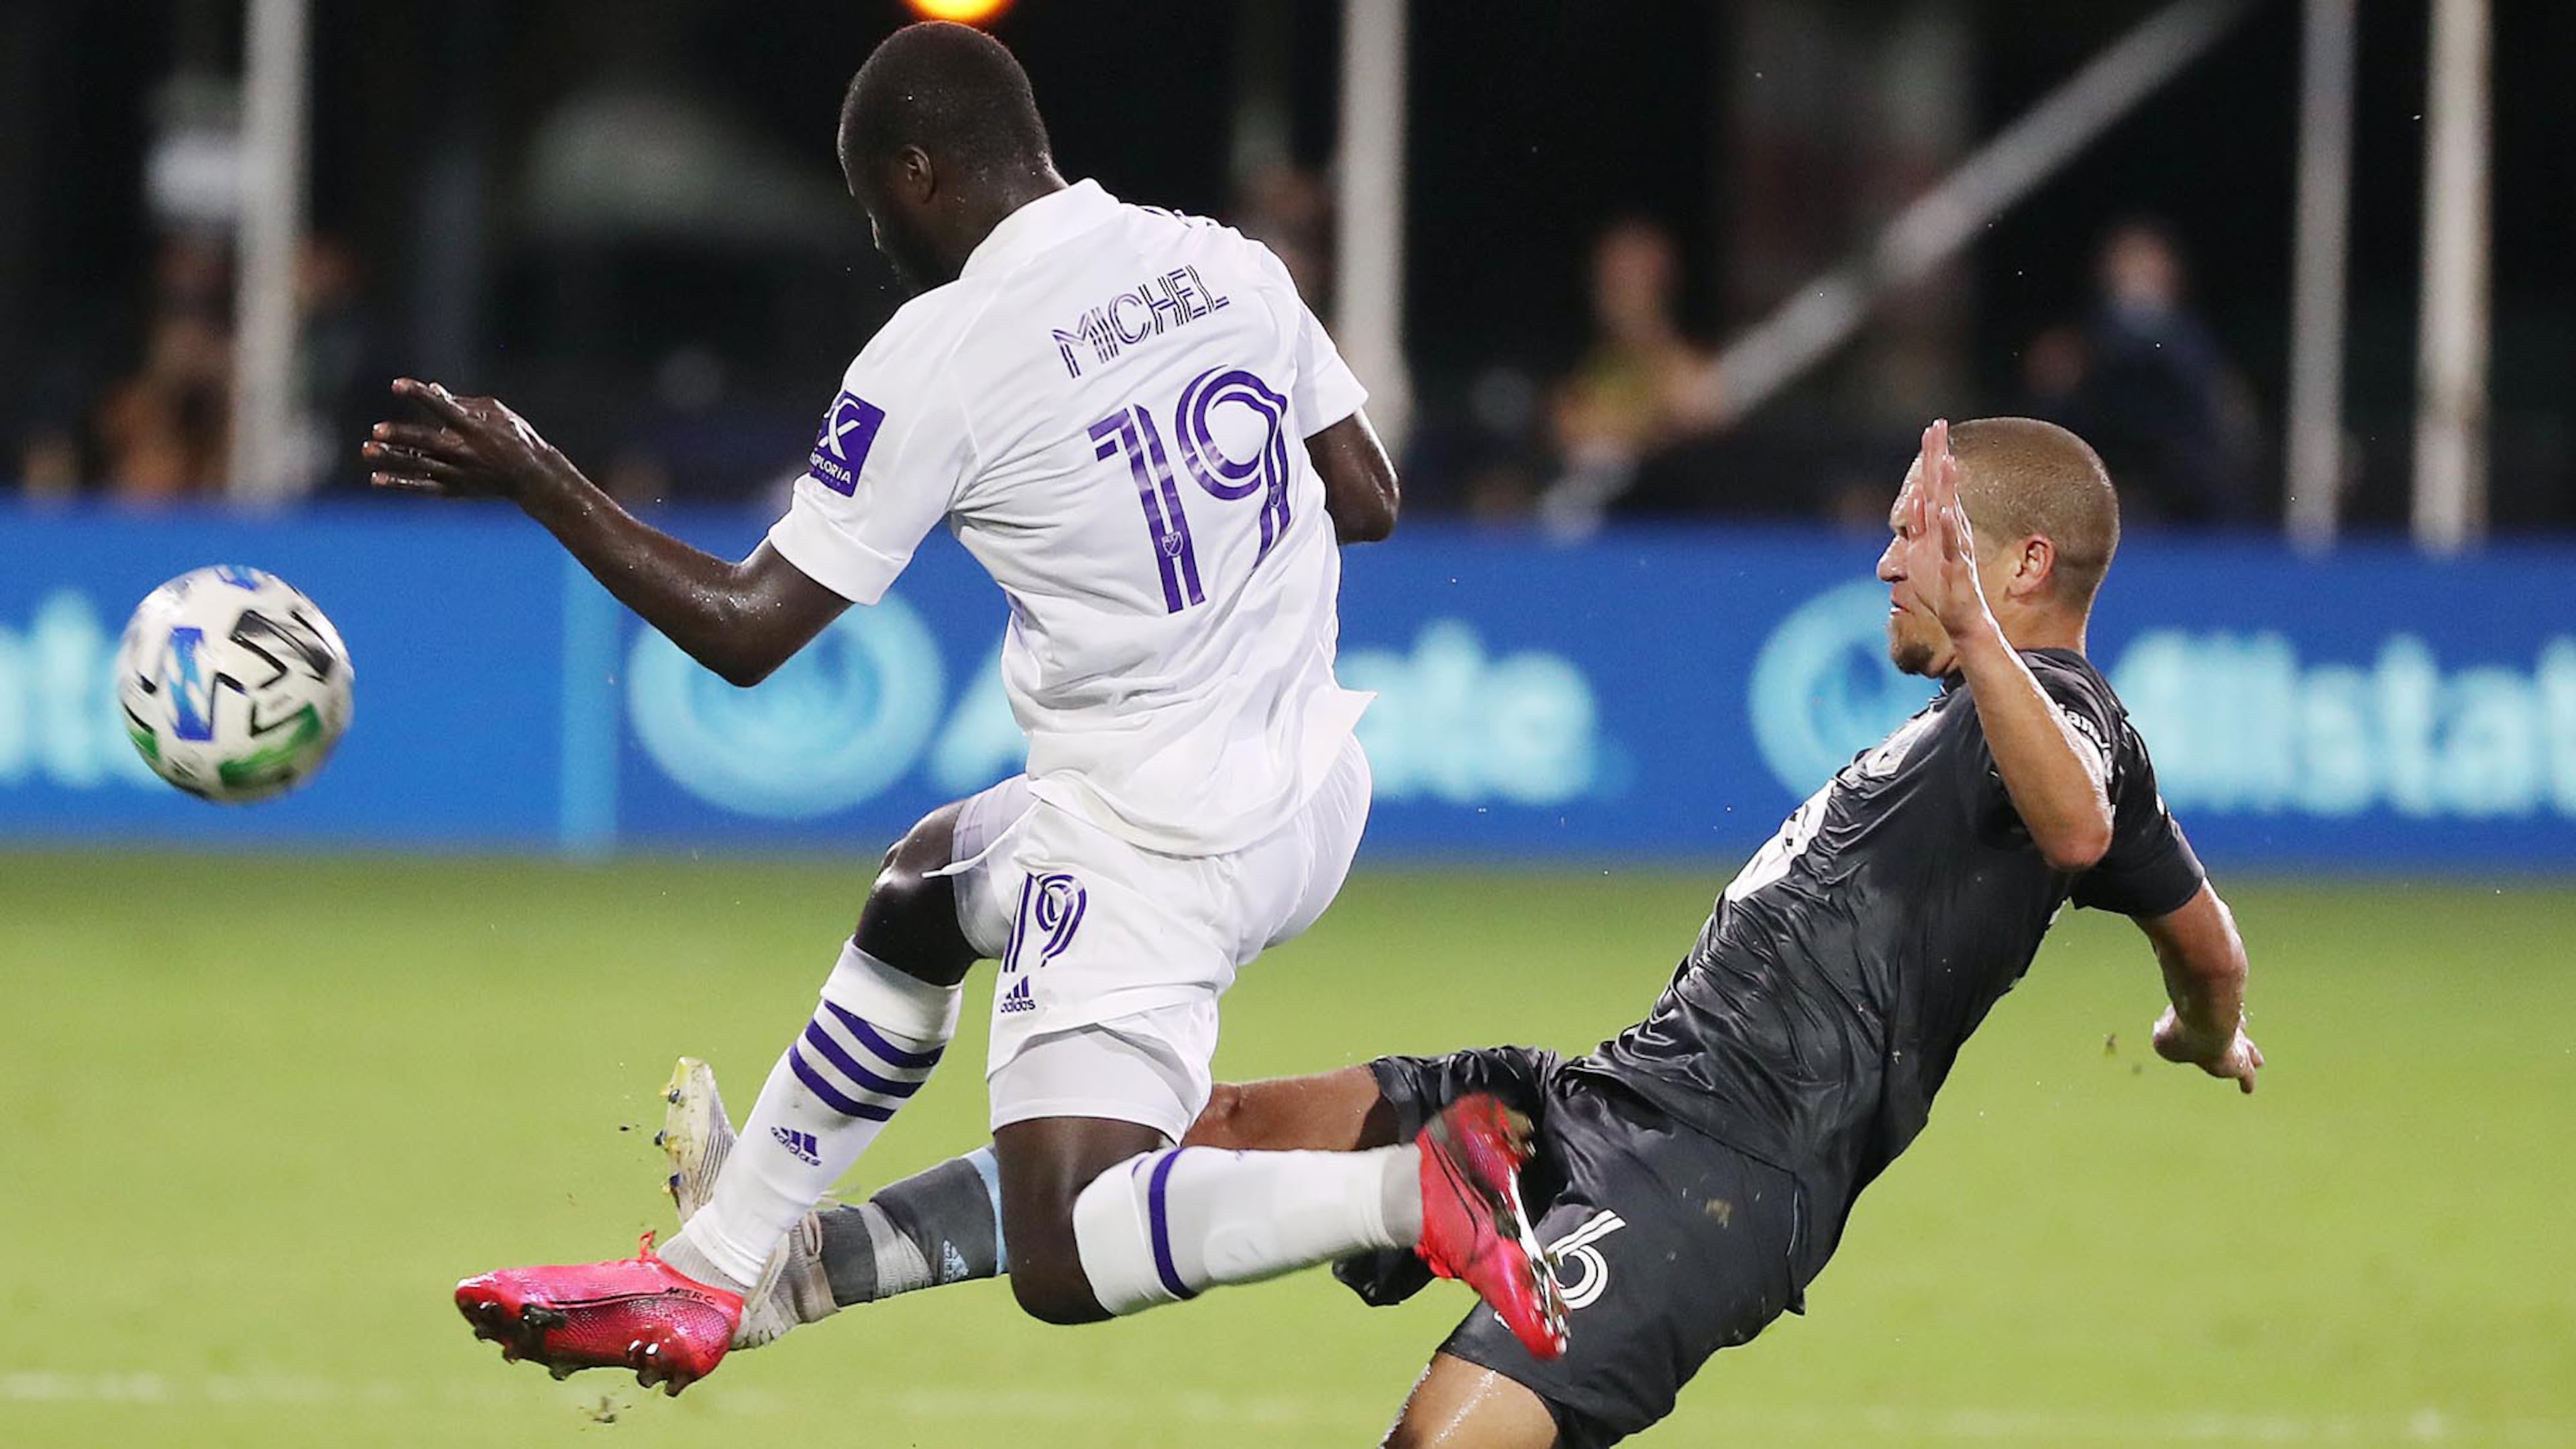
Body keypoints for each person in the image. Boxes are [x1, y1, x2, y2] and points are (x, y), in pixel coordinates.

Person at [655, 416, 2263, 1446]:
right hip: (1603, 1101)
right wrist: (2200, 1020)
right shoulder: (1997, 724)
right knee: (1187, 1139)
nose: (1886, 562)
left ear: (2019, 561)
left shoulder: (2060, 710)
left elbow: (2078, 822)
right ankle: (799, 1265)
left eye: (1921, 540)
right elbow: (2202, 935)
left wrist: (1985, 638)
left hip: (1724, 1180)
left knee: (1449, 1443)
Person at [364, 21, 1564, 1395]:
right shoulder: (1222, 260)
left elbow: (749, 632)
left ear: (922, 171)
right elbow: (1369, 498)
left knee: (1066, 1248)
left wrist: (536, 475)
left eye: (877, 203)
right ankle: (728, 1262)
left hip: (1150, 842)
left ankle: (1415, 1199)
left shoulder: (939, 350)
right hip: (1311, 795)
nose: (880, 237)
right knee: (929, 886)